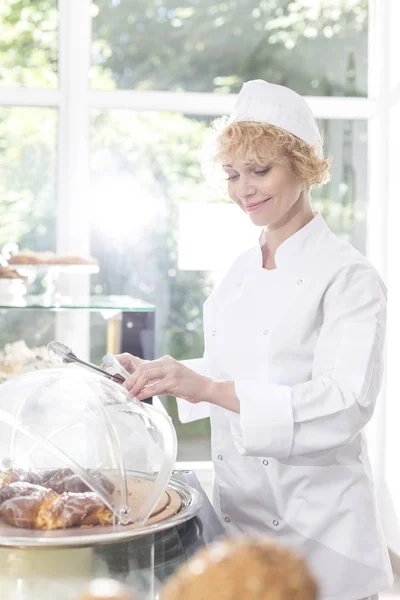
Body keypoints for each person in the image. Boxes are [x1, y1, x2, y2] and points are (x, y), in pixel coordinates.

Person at [117, 79, 393, 600]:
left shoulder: (348, 275)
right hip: (238, 520)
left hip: (320, 534)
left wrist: (204, 388)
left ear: (304, 166)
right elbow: (242, 367)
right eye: (233, 174)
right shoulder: (240, 270)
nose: (244, 189)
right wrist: (167, 376)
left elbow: (345, 401)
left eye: (261, 171)